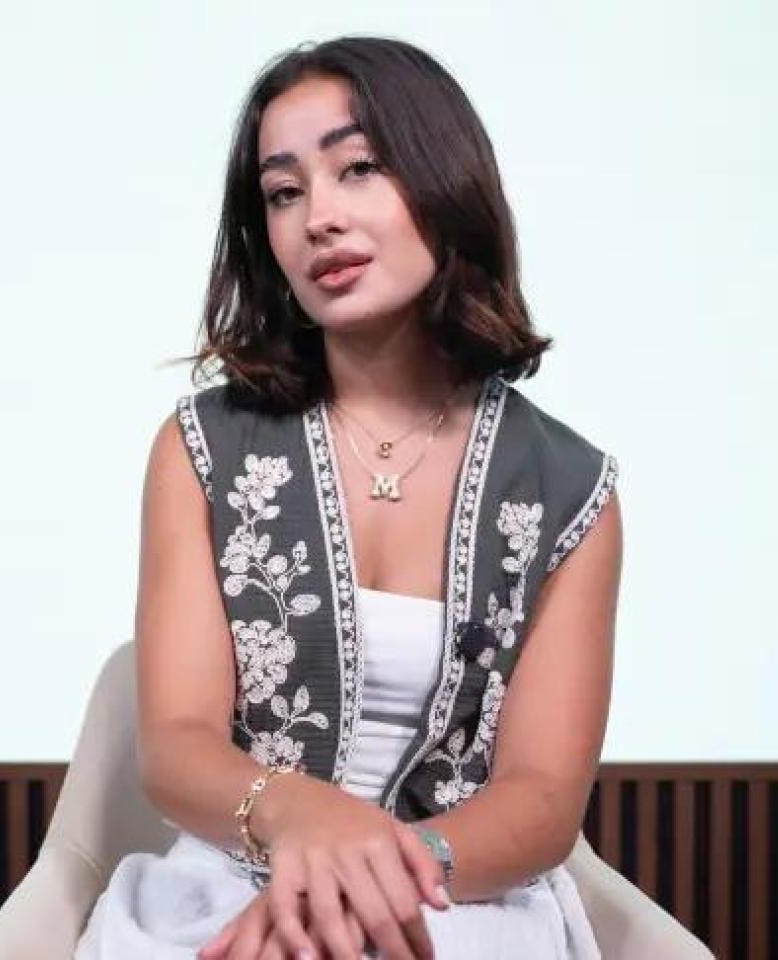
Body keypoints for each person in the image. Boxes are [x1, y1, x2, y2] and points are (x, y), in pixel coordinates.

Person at [74, 36, 622, 960]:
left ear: (445, 182)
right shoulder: (201, 448)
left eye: (358, 168)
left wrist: (369, 883)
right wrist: (302, 828)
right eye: (284, 192)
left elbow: (540, 800)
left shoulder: (572, 491)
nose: (318, 218)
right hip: (232, 880)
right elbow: (174, 742)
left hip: (454, 896)